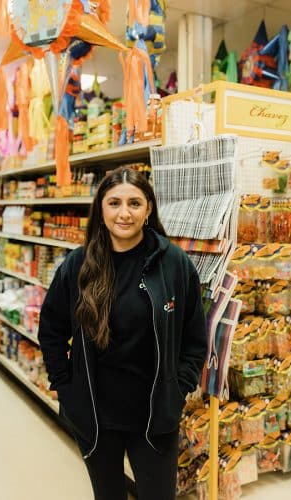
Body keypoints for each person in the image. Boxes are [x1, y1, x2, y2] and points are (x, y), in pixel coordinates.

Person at [38, 166, 207, 500]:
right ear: (101, 210)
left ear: (148, 210)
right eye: (114, 203)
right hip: (95, 415)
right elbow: (51, 330)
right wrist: (66, 389)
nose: (124, 213)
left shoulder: (174, 264)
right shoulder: (78, 265)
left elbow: (194, 336)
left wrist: (180, 387)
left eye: (134, 203)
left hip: (155, 415)